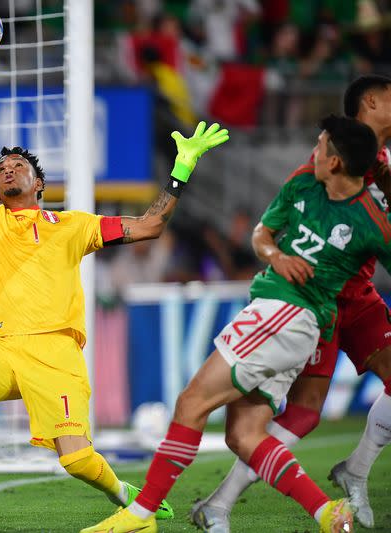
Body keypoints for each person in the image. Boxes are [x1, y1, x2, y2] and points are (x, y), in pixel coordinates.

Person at [0, 38, 229, 527]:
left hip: (57, 355)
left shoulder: (74, 225)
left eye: (19, 166)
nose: (8, 169)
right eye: (1, 170)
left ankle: (124, 492)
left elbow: (148, 227)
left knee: (76, 461)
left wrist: (181, 169)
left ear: (38, 183)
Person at [81, 114, 388, 533]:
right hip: (283, 319)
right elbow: (262, 234)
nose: (313, 152)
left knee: (191, 404)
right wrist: (277, 256)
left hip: (286, 315)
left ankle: (141, 514)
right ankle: (325, 512)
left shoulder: (373, 223)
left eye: (320, 146)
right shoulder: (303, 183)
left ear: (335, 162)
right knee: (244, 434)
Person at [192, 75, 391, 532]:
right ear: (373, 102)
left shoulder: (382, 162)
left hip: (359, 295)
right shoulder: (327, 158)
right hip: (316, 299)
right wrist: (278, 259)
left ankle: (356, 469)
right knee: (303, 411)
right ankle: (220, 503)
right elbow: (287, 222)